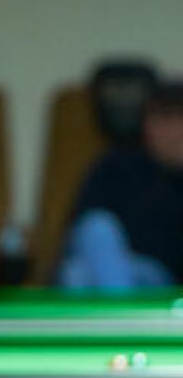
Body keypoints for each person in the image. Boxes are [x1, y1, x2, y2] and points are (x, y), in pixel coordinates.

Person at [57, 80, 183, 288]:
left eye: (175, 121)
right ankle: (119, 298)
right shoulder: (114, 165)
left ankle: (118, 299)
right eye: (158, 120)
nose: (167, 132)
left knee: (77, 275)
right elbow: (81, 229)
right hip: (112, 264)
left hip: (159, 279)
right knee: (92, 239)